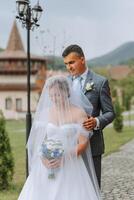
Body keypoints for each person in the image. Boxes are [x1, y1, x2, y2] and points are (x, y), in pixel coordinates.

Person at [18, 75, 101, 200]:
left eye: (57, 95)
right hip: (46, 164)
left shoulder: (79, 113)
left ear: (67, 92)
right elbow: (40, 141)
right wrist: (43, 158)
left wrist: (65, 156)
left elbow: (83, 143)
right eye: (51, 95)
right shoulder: (45, 113)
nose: (53, 99)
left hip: (71, 163)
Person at [62, 44, 115, 187]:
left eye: (72, 62)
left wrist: (96, 121)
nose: (69, 67)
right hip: (69, 146)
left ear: (82, 59)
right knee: (71, 188)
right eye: (66, 64)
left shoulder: (99, 82)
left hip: (92, 145)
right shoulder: (64, 83)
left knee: (92, 187)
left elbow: (110, 112)